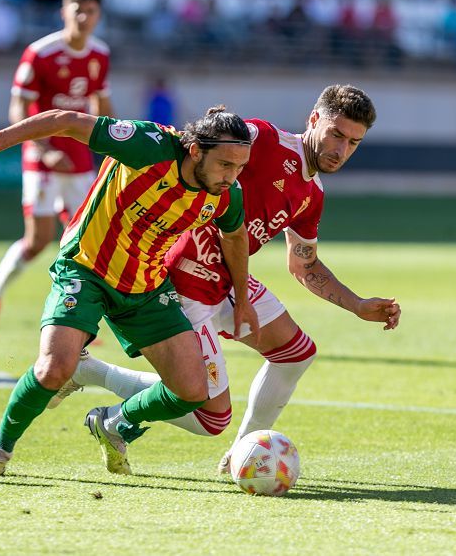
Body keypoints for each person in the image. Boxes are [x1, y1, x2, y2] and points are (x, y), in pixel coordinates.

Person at [49, 84, 402, 474]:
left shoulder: (312, 194)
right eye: (336, 134)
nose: (341, 149)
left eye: (353, 142)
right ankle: (102, 391)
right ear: (314, 120)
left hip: (231, 281)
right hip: (183, 279)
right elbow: (199, 145)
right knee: (209, 418)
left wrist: (356, 305)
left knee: (296, 355)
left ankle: (243, 457)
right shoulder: (262, 139)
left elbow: (305, 265)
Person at [0, 106, 260, 479]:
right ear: (194, 150)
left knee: (192, 392)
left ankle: (112, 422)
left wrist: (243, 298)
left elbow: (234, 236)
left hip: (146, 286)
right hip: (86, 267)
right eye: (225, 165)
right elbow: (66, 120)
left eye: (240, 167)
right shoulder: (149, 145)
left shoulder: (225, 195)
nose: (232, 177)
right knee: (52, 368)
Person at [0, 0, 113, 336]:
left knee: (86, 240)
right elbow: (17, 108)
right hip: (42, 159)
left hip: (79, 159)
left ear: (98, 15)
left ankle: (76, 318)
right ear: (64, 11)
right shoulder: (41, 52)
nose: (83, 17)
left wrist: (116, 142)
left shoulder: (99, 54)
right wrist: (45, 150)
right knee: (38, 241)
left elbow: (101, 105)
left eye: (90, 11)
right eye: (77, 9)